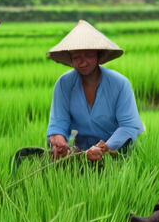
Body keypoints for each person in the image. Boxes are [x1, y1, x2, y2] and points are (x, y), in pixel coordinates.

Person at [46, 20, 143, 161]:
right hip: (82, 153)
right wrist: (59, 143)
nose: (82, 62)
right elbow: (58, 122)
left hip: (119, 152)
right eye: (76, 57)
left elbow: (129, 126)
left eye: (89, 55)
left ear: (98, 55)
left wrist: (105, 148)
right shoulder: (64, 84)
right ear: (71, 59)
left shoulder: (120, 84)